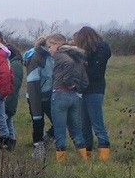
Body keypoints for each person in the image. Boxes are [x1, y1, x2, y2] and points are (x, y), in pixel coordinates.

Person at [46, 33, 88, 162]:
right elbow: (84, 79)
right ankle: (85, 160)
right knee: (76, 130)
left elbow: (68, 64)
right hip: (74, 96)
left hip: (60, 94)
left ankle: (61, 162)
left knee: (59, 130)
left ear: (57, 44)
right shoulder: (75, 55)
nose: (49, 50)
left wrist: (68, 82)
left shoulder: (61, 55)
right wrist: (78, 87)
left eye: (49, 46)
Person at [73, 26, 112, 161]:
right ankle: (88, 155)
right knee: (85, 124)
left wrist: (83, 67)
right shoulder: (96, 50)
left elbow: (96, 72)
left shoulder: (100, 49)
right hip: (86, 90)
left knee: (97, 123)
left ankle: (104, 155)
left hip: (94, 90)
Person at [23, 37, 55, 160]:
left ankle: (45, 141)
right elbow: (33, 83)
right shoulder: (36, 58)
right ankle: (38, 151)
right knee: (38, 122)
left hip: (48, 95)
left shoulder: (51, 57)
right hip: (35, 96)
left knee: (58, 122)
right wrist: (35, 102)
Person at [4, 42, 24, 149]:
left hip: (10, 96)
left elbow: (14, 84)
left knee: (7, 118)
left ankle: (9, 141)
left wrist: (8, 97)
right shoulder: (16, 62)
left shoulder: (15, 65)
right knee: (8, 119)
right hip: (11, 95)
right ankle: (12, 140)